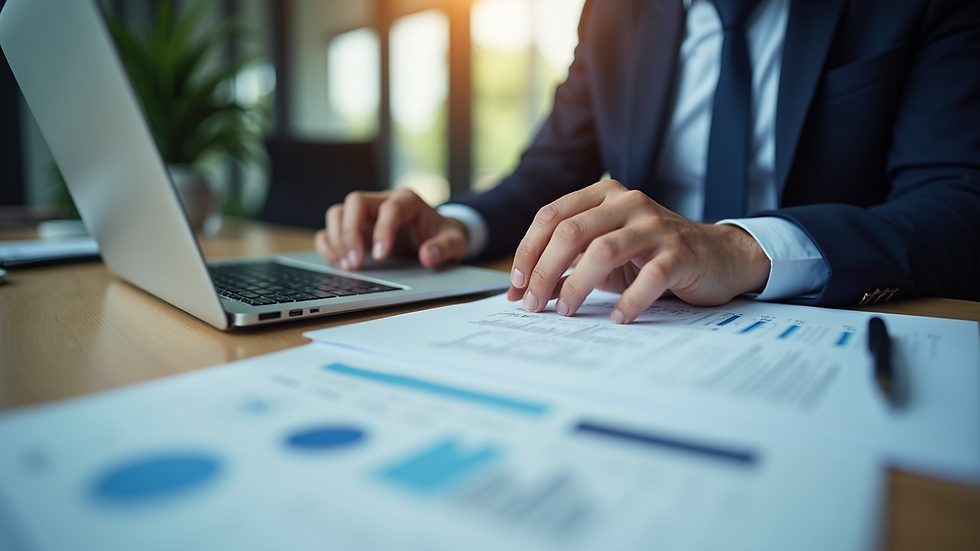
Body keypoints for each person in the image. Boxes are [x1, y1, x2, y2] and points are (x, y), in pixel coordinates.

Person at [315, 0, 980, 324]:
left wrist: (741, 248)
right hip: (641, 327)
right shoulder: (614, 13)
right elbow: (551, 169)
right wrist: (454, 225)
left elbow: (958, 203)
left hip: (824, 324)